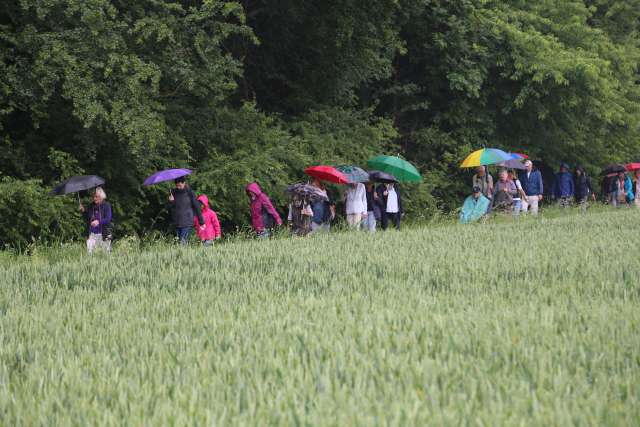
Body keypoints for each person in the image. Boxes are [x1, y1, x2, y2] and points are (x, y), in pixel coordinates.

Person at [168, 177, 205, 245]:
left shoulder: (190, 192)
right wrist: (171, 201)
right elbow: (170, 208)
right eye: (177, 186)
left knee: (182, 242)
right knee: (178, 242)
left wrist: (201, 222)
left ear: (184, 183)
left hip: (187, 222)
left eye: (180, 185)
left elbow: (197, 207)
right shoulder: (173, 193)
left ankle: (183, 253)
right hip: (177, 222)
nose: (178, 187)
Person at [79, 186, 113, 254]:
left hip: (104, 233)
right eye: (93, 197)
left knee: (106, 254)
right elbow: (87, 219)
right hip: (92, 234)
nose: (94, 198)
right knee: (90, 253)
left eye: (96, 196)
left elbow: (108, 219)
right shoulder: (91, 206)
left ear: (101, 196)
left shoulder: (106, 205)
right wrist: (83, 211)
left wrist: (98, 222)